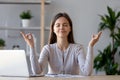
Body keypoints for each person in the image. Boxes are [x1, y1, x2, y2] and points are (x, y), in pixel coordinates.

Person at [20, 12, 102, 76]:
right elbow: (37, 71)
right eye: (58, 25)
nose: (61, 28)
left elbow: (87, 72)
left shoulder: (78, 48)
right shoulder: (47, 49)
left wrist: (91, 46)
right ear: (53, 29)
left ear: (70, 28)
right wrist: (32, 46)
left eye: (65, 25)